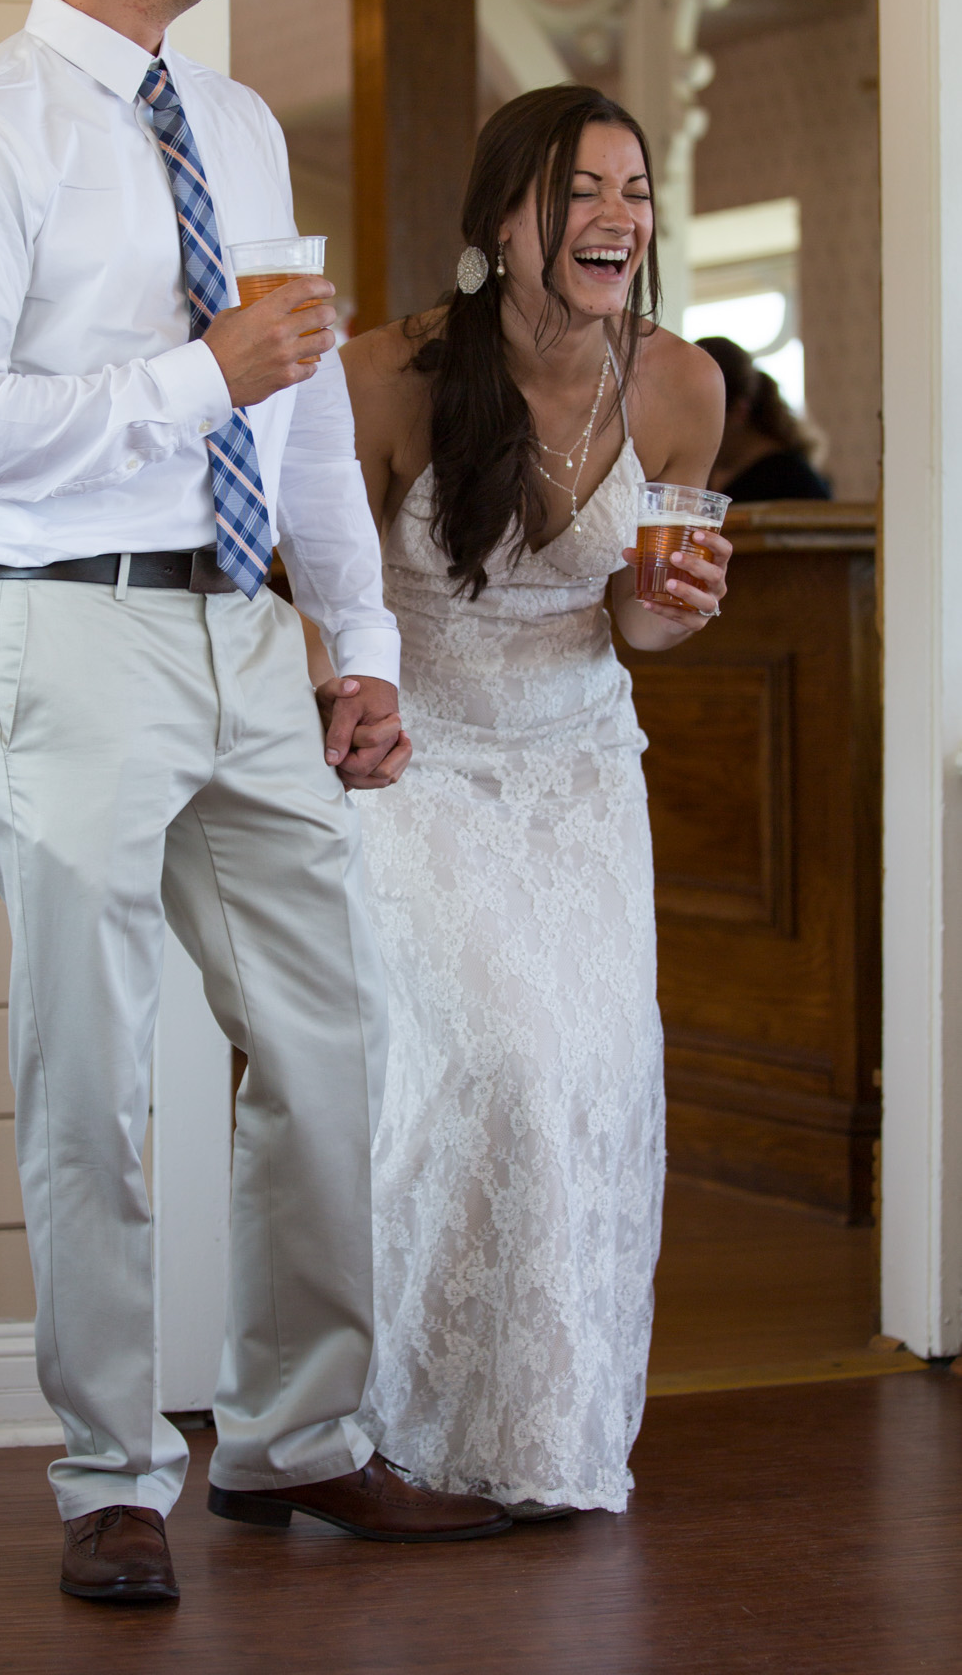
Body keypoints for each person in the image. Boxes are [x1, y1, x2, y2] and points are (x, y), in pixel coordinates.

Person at [0, 0, 511, 1608]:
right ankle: (106, 1475)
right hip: (54, 631)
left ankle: (300, 1442)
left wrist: (359, 641)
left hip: (247, 637)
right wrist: (194, 379)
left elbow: (302, 409)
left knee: (327, 1040)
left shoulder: (234, 130)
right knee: (96, 1074)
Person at [330, 84, 731, 1517]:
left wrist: (670, 611)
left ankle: (543, 1439)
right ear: (502, 221)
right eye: (579, 190)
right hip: (420, 761)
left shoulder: (681, 389)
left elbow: (645, 631)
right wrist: (349, 702)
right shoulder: (389, 378)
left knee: (594, 1078)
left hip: (578, 770)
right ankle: (383, 1422)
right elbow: (332, 596)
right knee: (489, 1062)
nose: (614, 216)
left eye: (632, 191)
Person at [694, 333, 832, 501]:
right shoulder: (709, 473)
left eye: (697, 417)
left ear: (738, 412)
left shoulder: (793, 482)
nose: (688, 430)